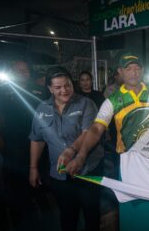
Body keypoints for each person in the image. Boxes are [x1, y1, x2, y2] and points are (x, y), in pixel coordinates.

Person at [58, 53, 149, 176]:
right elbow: (97, 128)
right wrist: (81, 155)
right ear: (120, 71)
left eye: (137, 68)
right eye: (128, 69)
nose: (133, 73)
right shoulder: (113, 100)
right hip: (128, 158)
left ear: (142, 70)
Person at [29, 66, 104, 231]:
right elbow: (37, 139)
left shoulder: (86, 104)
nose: (64, 90)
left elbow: (88, 132)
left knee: (91, 215)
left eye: (67, 85)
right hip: (60, 173)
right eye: (58, 87)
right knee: (67, 215)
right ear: (50, 88)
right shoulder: (42, 109)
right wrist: (33, 167)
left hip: (88, 170)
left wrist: (71, 151)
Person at [0, 60, 47, 231]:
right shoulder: (1, 91)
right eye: (19, 70)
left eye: (26, 70)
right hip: (13, 141)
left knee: (40, 175)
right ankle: (20, 217)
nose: (24, 73)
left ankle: (42, 209)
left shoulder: (39, 88)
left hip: (38, 140)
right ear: (12, 72)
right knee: (16, 181)